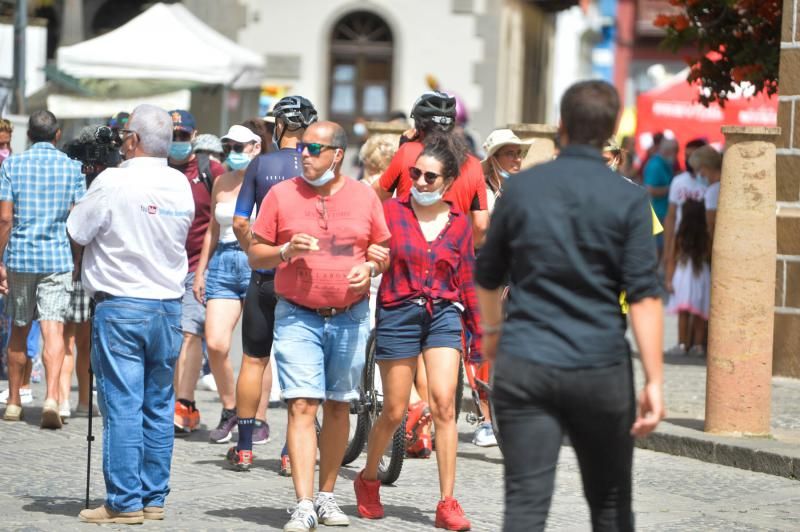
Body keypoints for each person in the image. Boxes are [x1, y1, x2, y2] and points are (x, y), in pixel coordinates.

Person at [475, 80, 665, 532]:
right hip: (598, 366)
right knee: (612, 503)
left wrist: (493, 335)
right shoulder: (630, 198)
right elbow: (643, 296)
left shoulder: (521, 190)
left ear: (561, 126)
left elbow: (487, 275)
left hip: (526, 363)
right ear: (613, 127)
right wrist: (655, 379)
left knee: (525, 501)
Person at [249, 121, 390, 532]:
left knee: (338, 404)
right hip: (297, 314)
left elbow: (382, 250)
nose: (305, 155)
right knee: (302, 404)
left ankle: (327, 496)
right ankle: (304, 502)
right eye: (303, 149)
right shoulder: (281, 195)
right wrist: (283, 250)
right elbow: (256, 255)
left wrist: (371, 266)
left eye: (314, 148)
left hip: (349, 317)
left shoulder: (364, 197)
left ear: (338, 155)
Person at [67, 104, 194, 525]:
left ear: (133, 140)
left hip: (122, 304)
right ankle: (154, 497)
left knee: (122, 405)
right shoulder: (180, 184)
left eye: (125, 136)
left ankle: (124, 501)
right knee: (158, 406)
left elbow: (78, 230)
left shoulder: (114, 180)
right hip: (166, 307)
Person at [354, 135, 478, 531]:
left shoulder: (459, 225)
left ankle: (447, 502)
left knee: (444, 405)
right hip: (399, 312)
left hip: (443, 314)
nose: (420, 182)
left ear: (448, 182)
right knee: (393, 410)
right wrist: (371, 262)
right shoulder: (390, 211)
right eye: (415, 174)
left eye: (429, 176)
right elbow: (369, 253)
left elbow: (469, 280)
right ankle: (368, 477)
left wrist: (482, 334)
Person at [228, 95, 318, 473]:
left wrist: (258, 252)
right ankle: (288, 452)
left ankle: (245, 447)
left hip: (265, 275)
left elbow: (239, 222)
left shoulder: (261, 165)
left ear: (279, 125)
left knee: (253, 359)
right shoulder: (317, 168)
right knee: (298, 366)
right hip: (303, 281)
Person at [0, 110, 85, 427]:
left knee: (18, 329)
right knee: (54, 330)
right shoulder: (72, 168)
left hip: (21, 257)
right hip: (57, 258)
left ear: (29, 135)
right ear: (58, 134)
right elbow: (78, 220)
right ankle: (51, 397)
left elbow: (5, 218)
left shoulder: (12, 165)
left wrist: (0, 260)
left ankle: (12, 402)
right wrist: (76, 257)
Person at [192, 124, 261, 444]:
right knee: (216, 343)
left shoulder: (267, 182)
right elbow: (211, 231)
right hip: (222, 262)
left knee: (257, 347)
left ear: (256, 147)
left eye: (240, 145)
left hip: (254, 260)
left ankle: (258, 419)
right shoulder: (221, 180)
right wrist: (202, 270)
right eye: (229, 145)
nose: (233, 151)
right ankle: (231, 408)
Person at [168, 109, 226, 435]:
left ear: (193, 135)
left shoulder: (210, 171)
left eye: (181, 136)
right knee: (166, 337)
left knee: (190, 332)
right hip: (159, 268)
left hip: (196, 267)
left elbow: (221, 220)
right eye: (171, 135)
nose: (177, 142)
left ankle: (184, 403)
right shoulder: (155, 170)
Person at [372, 91, 489, 246]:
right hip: (451, 256)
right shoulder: (473, 164)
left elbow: (374, 197)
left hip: (408, 249)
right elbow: (481, 226)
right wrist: (461, 249)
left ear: (419, 125)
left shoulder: (406, 152)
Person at [664, 199, 711, 358]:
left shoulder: (680, 236)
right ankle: (697, 346)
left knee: (683, 313)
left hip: (683, 275)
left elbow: (672, 258)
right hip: (700, 275)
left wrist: (669, 280)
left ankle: (682, 344)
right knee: (699, 314)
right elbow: (710, 256)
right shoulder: (705, 236)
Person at [662, 139, 708, 265]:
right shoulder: (678, 181)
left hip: (702, 247)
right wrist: (667, 251)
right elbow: (671, 217)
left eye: (692, 156)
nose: (688, 160)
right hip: (680, 245)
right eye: (686, 156)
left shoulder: (711, 184)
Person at [481, 128, 533, 216]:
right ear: (492, 160)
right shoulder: (482, 191)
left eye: (519, 153)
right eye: (510, 154)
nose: (518, 159)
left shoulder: (525, 190)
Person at [690, 146, 723, 243]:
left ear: (705, 167)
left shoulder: (713, 192)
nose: (698, 174)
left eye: (698, 169)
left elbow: (711, 226)